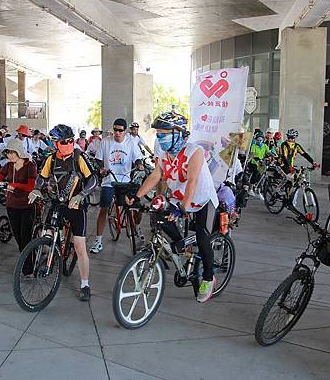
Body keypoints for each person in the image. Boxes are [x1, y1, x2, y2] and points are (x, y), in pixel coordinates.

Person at [127, 111, 219, 303]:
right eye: (158, 134)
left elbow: (192, 181)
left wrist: (182, 209)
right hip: (179, 197)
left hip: (202, 199)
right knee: (159, 216)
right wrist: (136, 196)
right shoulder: (162, 153)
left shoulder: (195, 152)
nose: (159, 138)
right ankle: (180, 245)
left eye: (163, 134)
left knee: (203, 238)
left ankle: (209, 278)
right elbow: (155, 176)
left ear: (178, 133)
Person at [29, 124, 97, 301]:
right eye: (63, 141)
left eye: (70, 141)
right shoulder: (51, 159)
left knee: (80, 246)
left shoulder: (78, 157)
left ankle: (85, 284)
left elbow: (93, 180)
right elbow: (42, 178)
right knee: (47, 233)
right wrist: (37, 189)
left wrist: (81, 195)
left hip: (77, 205)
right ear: (55, 143)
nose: (67, 144)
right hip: (58, 203)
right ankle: (51, 255)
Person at [0, 139, 37, 273]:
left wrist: (15, 186)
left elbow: (31, 186)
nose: (9, 155)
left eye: (11, 152)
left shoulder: (30, 166)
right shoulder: (8, 166)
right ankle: (25, 262)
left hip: (27, 206)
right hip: (12, 206)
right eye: (7, 152)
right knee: (19, 238)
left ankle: (28, 269)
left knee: (26, 237)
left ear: (19, 152)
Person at [90, 118, 144, 254]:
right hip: (109, 180)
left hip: (125, 179)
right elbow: (98, 159)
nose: (117, 133)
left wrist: (139, 164)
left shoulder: (131, 142)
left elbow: (137, 157)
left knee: (133, 205)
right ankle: (98, 241)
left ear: (125, 131)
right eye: (115, 130)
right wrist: (101, 169)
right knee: (104, 208)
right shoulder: (105, 141)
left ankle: (135, 228)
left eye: (120, 130)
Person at [248, 132, 272, 199]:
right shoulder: (254, 146)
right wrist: (258, 159)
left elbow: (268, 152)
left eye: (260, 140)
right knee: (256, 173)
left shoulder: (265, 146)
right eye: (258, 140)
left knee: (262, 176)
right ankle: (250, 188)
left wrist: (274, 156)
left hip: (261, 163)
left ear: (263, 140)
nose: (259, 141)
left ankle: (258, 191)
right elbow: (252, 154)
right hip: (254, 162)